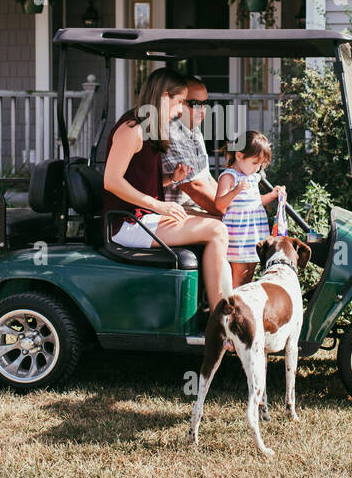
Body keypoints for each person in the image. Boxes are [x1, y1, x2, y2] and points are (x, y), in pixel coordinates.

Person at [102, 68, 231, 309]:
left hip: (146, 218)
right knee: (216, 230)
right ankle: (220, 317)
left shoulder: (149, 128)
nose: (181, 109)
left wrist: (171, 178)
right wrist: (159, 205)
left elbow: (139, 181)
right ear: (164, 97)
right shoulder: (131, 130)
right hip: (127, 224)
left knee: (218, 220)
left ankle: (215, 302)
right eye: (180, 101)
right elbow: (111, 181)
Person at [215, 130, 286, 288]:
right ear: (239, 156)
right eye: (255, 163)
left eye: (260, 165)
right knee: (238, 281)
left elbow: (255, 202)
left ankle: (241, 309)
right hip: (239, 238)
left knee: (248, 279)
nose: (257, 168)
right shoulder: (229, 177)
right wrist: (235, 191)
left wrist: (272, 195)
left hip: (254, 236)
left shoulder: (252, 177)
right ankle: (232, 309)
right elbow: (219, 204)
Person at [160, 74, 220, 216]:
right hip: (173, 212)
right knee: (226, 228)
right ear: (178, 102)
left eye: (205, 103)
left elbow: (206, 177)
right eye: (195, 104)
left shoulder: (192, 128)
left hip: (192, 208)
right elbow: (193, 186)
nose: (202, 109)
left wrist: (231, 203)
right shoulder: (170, 131)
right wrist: (230, 214)